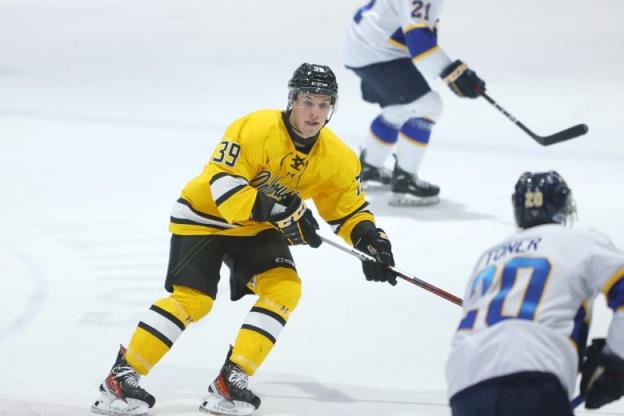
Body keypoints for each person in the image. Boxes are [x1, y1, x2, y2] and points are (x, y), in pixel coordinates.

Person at [90, 63, 398, 416]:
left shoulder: (338, 157)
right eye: (308, 101)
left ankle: (231, 379)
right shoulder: (254, 127)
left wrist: (372, 242)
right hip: (203, 217)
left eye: (324, 104)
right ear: (292, 100)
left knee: (284, 288)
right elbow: (223, 183)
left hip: (255, 230)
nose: (315, 112)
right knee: (194, 301)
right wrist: (282, 212)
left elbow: (349, 209)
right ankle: (121, 376)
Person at [445, 171, 624, 415]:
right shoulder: (580, 240)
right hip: (533, 377)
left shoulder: (488, 258)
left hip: (463, 386)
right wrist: (615, 360)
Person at [345, 0, 487, 206]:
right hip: (377, 52)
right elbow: (421, 44)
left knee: (396, 110)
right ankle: (405, 183)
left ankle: (369, 168)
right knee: (430, 106)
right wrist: (455, 74)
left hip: (364, 46)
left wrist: (453, 73)